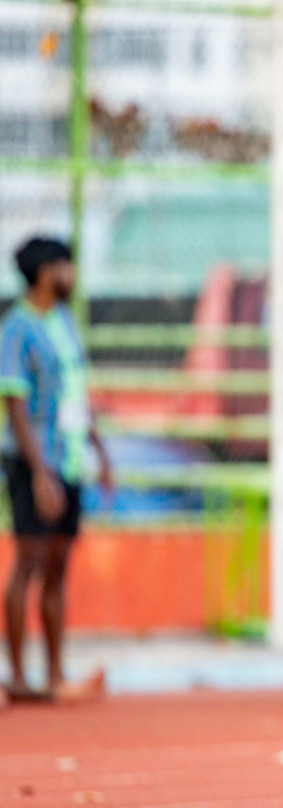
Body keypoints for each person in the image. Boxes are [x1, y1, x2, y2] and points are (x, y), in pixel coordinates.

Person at [0, 237, 111, 710]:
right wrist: (39, 471)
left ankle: (56, 671)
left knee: (58, 566)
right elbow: (15, 401)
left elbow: (77, 393)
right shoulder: (17, 326)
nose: (73, 276)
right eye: (67, 266)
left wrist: (100, 450)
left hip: (69, 459)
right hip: (35, 460)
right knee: (27, 559)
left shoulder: (65, 321)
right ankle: (19, 675)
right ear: (47, 271)